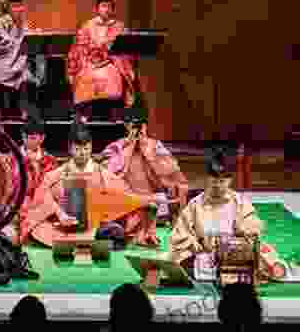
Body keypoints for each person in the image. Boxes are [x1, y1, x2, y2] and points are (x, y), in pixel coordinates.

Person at [19, 121, 156, 247]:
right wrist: (60, 213)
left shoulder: (103, 174)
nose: (82, 153)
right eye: (78, 149)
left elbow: (124, 195)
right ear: (70, 149)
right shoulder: (56, 174)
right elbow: (42, 197)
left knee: (124, 221)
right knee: (39, 228)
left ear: (91, 148)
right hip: (62, 225)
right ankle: (93, 238)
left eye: (86, 149)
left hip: (97, 224)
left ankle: (98, 234)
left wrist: (143, 202)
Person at [170, 146, 281, 283]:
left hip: (235, 257)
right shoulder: (194, 205)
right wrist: (197, 245)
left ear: (230, 181)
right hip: (204, 257)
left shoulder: (239, 202)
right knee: (179, 260)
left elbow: (253, 227)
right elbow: (180, 237)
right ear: (207, 179)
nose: (217, 185)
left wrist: (241, 234)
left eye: (222, 181)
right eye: (214, 180)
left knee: (264, 253)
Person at [102, 96, 189, 246]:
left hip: (153, 201)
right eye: (130, 124)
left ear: (143, 126)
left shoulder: (156, 146)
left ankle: (149, 231)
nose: (133, 129)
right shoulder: (115, 147)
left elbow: (174, 176)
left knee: (158, 200)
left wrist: (148, 152)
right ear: (126, 126)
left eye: (137, 125)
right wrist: (128, 148)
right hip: (126, 202)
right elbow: (107, 176)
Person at [66, 0, 136, 121]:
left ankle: (114, 114)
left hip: (112, 63)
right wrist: (90, 56)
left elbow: (127, 51)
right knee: (86, 75)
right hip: (90, 63)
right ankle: (85, 114)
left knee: (111, 75)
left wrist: (111, 55)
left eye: (109, 6)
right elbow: (78, 49)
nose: (106, 9)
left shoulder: (120, 27)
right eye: (103, 6)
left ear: (113, 8)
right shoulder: (87, 26)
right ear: (97, 7)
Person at [11, 117, 58, 244]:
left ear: (42, 138)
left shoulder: (50, 161)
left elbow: (52, 188)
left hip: (42, 205)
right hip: (18, 204)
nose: (27, 141)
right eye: (25, 137)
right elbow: (9, 188)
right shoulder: (11, 158)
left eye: (32, 138)